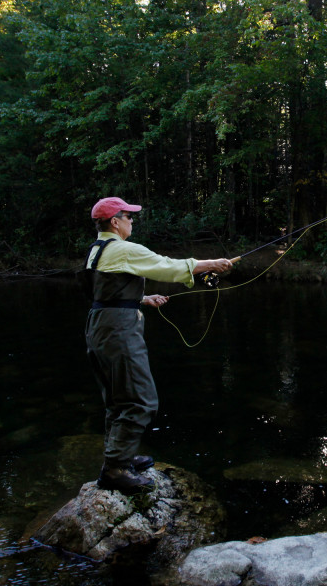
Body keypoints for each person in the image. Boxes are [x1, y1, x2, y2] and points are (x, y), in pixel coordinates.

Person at [82, 196, 233, 494]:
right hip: (118, 331)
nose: (132, 220)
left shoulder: (96, 250)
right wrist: (211, 264)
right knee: (141, 399)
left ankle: (119, 457)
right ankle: (114, 470)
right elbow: (166, 266)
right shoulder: (124, 249)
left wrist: (140, 299)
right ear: (115, 221)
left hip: (99, 326)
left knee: (117, 399)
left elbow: (103, 290)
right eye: (129, 216)